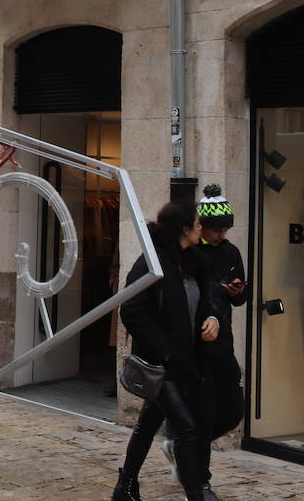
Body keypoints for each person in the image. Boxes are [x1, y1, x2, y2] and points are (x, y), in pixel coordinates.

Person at [113, 200, 220, 501]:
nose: (202, 228)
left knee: (148, 423)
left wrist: (212, 319)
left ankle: (126, 486)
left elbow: (208, 299)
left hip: (187, 362)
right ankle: (195, 495)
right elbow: (131, 310)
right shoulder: (151, 262)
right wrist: (166, 351)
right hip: (161, 364)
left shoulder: (194, 260)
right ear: (185, 229)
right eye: (198, 223)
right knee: (186, 430)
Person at [188, 186, 247, 497]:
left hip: (224, 343)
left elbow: (238, 299)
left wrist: (239, 292)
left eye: (225, 229)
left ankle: (186, 449)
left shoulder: (231, 252)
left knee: (233, 411)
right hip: (199, 347)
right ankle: (201, 482)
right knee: (205, 413)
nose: (221, 234)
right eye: (216, 229)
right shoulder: (192, 253)